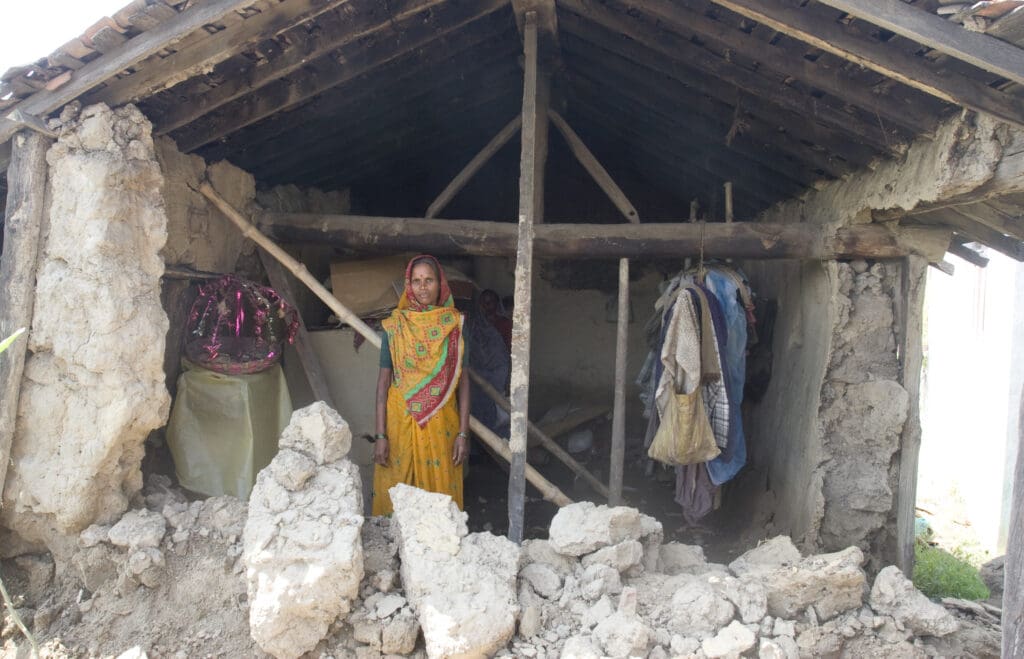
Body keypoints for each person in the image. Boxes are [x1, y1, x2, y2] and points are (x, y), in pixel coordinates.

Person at [372, 255, 471, 515]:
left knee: (440, 500)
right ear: (409, 285)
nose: (423, 287)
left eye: (429, 280)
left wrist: (463, 434)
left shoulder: (454, 326)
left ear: (440, 284)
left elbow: (464, 384)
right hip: (399, 423)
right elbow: (382, 385)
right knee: (398, 494)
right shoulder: (395, 326)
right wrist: (380, 435)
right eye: (416, 281)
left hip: (441, 425)